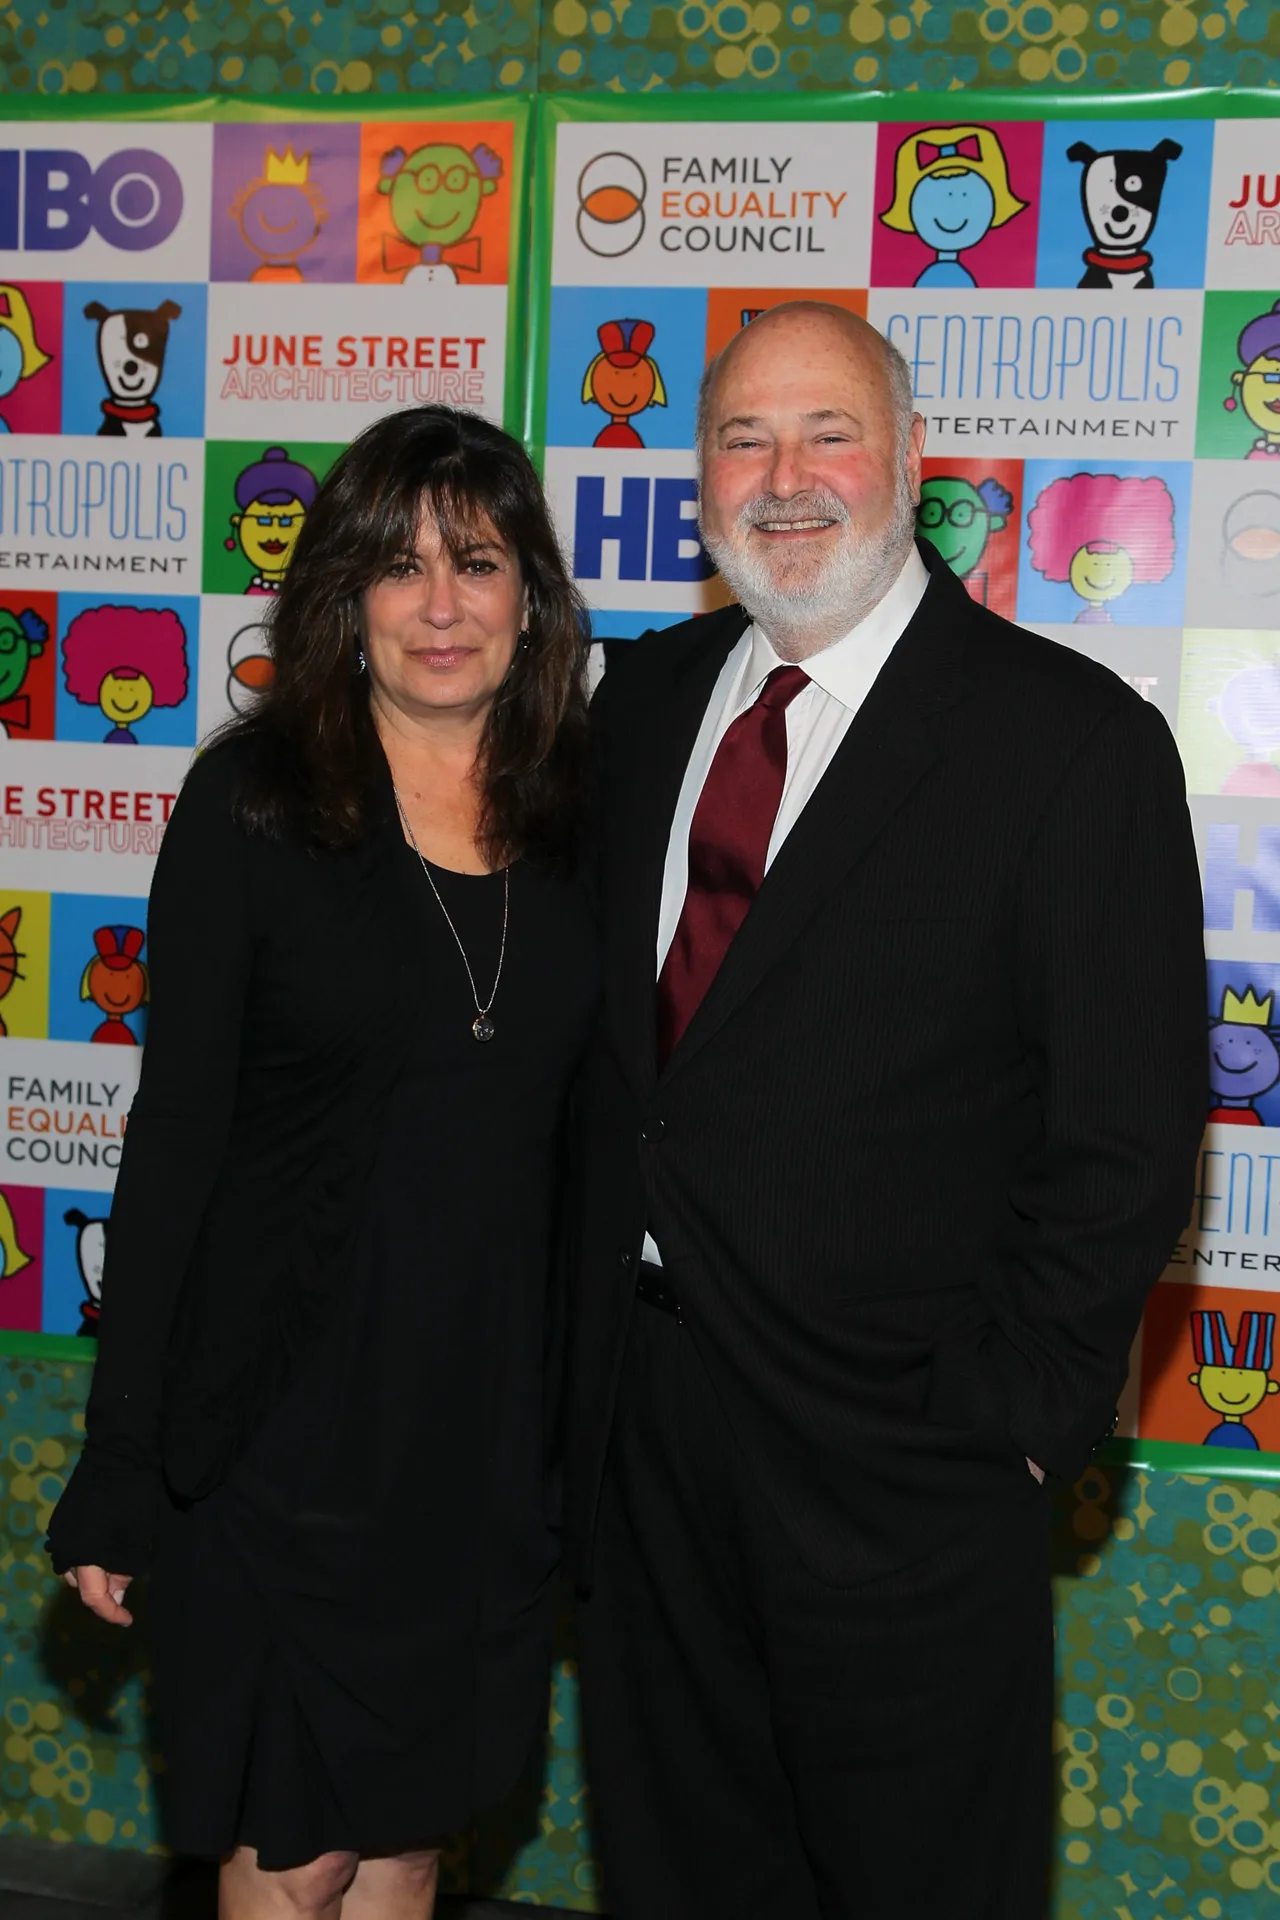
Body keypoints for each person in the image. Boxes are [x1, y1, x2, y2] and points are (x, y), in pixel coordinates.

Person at [567, 302, 1206, 1920]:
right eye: (743, 439)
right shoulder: (635, 707)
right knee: (679, 1874)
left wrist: (1004, 1430)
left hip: (906, 1466)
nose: (784, 478)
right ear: (699, 475)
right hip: (640, 1439)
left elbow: (1127, 1138)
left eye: (828, 433)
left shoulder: (1069, 744)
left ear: (913, 463)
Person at [47, 406, 597, 1919]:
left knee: (410, 1845)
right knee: (297, 1855)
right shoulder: (254, 805)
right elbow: (175, 1139)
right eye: (397, 566)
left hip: (484, 1444)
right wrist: (123, 1456)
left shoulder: (585, 818)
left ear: (532, 594)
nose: (440, 605)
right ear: (342, 598)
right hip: (279, 1435)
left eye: (476, 561)